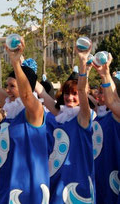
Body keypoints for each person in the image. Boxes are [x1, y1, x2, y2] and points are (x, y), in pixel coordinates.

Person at [0, 33, 51, 203]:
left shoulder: (35, 110)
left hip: (29, 184)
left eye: (11, 86)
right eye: (7, 85)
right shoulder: (11, 106)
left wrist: (15, 62)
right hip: (8, 179)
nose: (6, 90)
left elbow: (27, 95)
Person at [36, 45, 95, 203]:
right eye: (67, 93)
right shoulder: (61, 115)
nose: (70, 97)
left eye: (74, 94)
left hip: (78, 179)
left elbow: (83, 91)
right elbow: (41, 92)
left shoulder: (83, 117)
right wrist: (20, 64)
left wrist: (83, 63)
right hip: (57, 179)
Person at [91, 54, 120, 204]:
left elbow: (112, 101)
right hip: (102, 176)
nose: (98, 95)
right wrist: (105, 74)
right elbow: (112, 101)